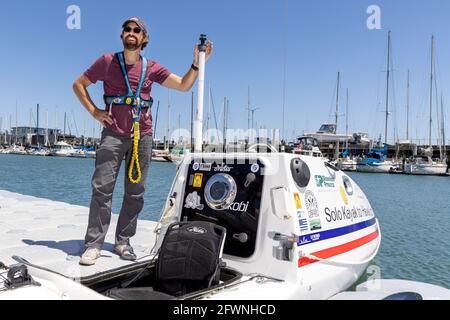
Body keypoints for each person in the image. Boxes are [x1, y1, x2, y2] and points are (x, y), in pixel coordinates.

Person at [73, 17, 213, 265]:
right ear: (122, 35)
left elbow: (182, 85)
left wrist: (195, 64)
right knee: (102, 190)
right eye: (127, 29)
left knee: (135, 193)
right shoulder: (107, 62)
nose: (131, 33)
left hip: (142, 136)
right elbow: (78, 84)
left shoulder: (152, 67)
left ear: (144, 38)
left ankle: (123, 242)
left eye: (137, 30)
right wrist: (95, 111)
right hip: (113, 135)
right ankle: (93, 244)